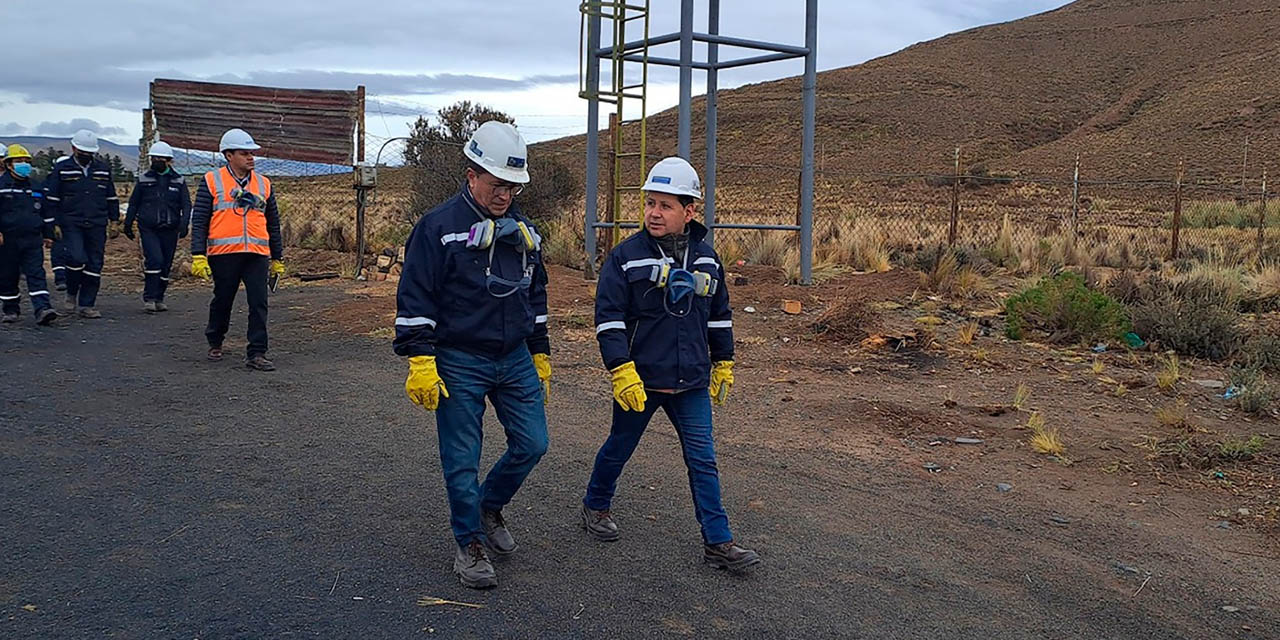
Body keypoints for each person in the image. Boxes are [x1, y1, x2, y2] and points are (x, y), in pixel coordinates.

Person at [394, 121, 552, 589]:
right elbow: (415, 296)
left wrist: (539, 351)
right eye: (497, 184)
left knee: (533, 443)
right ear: (471, 174)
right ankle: (469, 542)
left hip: (514, 356)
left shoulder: (523, 231)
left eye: (513, 186)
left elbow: (536, 294)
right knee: (463, 457)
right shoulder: (438, 228)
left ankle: (488, 507)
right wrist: (420, 359)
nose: (505, 194)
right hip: (458, 358)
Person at [583, 156, 760, 572]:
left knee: (703, 459)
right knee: (619, 447)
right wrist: (620, 369)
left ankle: (718, 542)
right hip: (641, 380)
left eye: (665, 205)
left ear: (689, 211)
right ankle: (595, 504)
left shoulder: (707, 259)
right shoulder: (626, 257)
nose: (654, 213)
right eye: (650, 203)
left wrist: (725, 362)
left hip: (692, 382)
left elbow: (719, 315)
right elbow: (608, 318)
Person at [189, 128, 285, 371]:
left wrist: (277, 257)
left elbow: (273, 222)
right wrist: (198, 254)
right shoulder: (212, 181)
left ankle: (257, 352)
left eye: (252, 153)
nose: (251, 158)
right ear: (228, 155)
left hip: (256, 253)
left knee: (259, 302)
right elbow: (200, 219)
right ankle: (215, 339)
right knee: (223, 299)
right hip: (224, 254)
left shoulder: (264, 184)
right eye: (245, 153)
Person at [42, 130, 119, 318]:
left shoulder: (102, 169)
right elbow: (51, 198)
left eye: (89, 152)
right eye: (83, 151)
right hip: (71, 222)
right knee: (76, 258)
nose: (86, 155)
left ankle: (87, 304)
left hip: (97, 222)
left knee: (95, 263)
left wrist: (114, 220)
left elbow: (111, 196)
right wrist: (51, 225)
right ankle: (71, 293)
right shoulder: (62, 169)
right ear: (74, 148)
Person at [124, 141, 190, 312]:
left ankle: (160, 297)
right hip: (149, 228)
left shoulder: (178, 181)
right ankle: (150, 298)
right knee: (155, 260)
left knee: (166, 264)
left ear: (169, 161)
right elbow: (133, 203)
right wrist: (128, 223)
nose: (157, 161)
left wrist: (184, 224)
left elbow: (186, 204)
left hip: (170, 228)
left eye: (161, 158)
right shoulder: (144, 179)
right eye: (155, 158)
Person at [0, 144, 58, 325]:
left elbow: (46, 214)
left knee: (36, 273)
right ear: (9, 164)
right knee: (8, 275)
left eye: (26, 161)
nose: (24, 164)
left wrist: (49, 235)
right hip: (7, 239)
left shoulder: (36, 187)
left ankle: (43, 308)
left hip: (33, 239)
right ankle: (10, 309)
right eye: (19, 161)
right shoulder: (1, 187)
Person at [49, 155, 70, 291]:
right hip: (57, 220)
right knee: (58, 248)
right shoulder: (51, 182)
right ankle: (60, 277)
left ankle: (71, 277)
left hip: (74, 220)